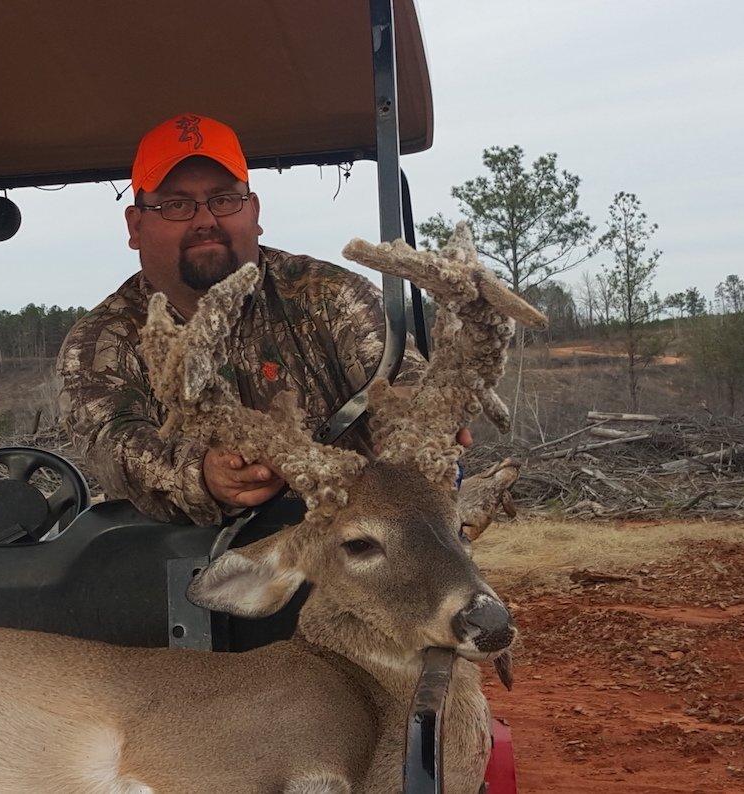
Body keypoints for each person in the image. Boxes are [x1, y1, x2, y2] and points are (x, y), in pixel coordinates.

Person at [57, 113, 464, 525]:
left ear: (253, 210)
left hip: (352, 544)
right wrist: (202, 475)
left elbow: (396, 379)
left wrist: (422, 423)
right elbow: (114, 445)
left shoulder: (330, 297)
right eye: (176, 204)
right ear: (136, 225)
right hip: (179, 561)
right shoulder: (102, 340)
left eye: (224, 199)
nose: (205, 220)